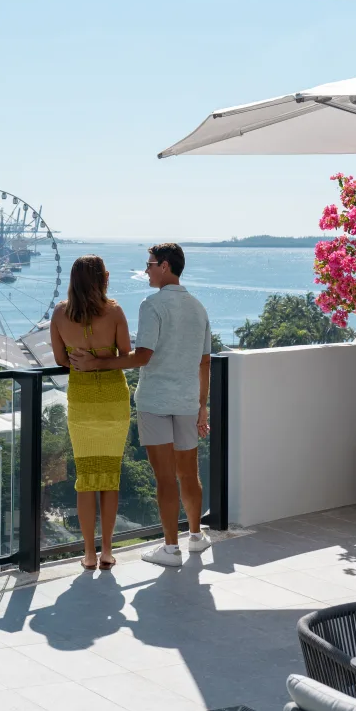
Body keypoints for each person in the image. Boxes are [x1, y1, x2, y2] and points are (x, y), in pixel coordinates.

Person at [70, 242, 211, 567]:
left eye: (149, 264)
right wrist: (202, 405)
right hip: (188, 400)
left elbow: (142, 356)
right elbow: (205, 361)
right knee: (189, 473)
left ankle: (171, 549)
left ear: (164, 266)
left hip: (155, 401)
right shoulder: (198, 307)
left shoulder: (152, 305)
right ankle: (196, 536)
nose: (146, 270)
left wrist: (96, 364)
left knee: (165, 478)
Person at [50, 255, 131, 572]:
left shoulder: (60, 314)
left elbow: (60, 359)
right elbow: (125, 355)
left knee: (85, 479)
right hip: (113, 400)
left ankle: (88, 554)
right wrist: (101, 358)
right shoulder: (115, 312)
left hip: (82, 401)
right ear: (103, 278)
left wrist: (81, 358)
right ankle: (107, 551)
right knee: (110, 477)